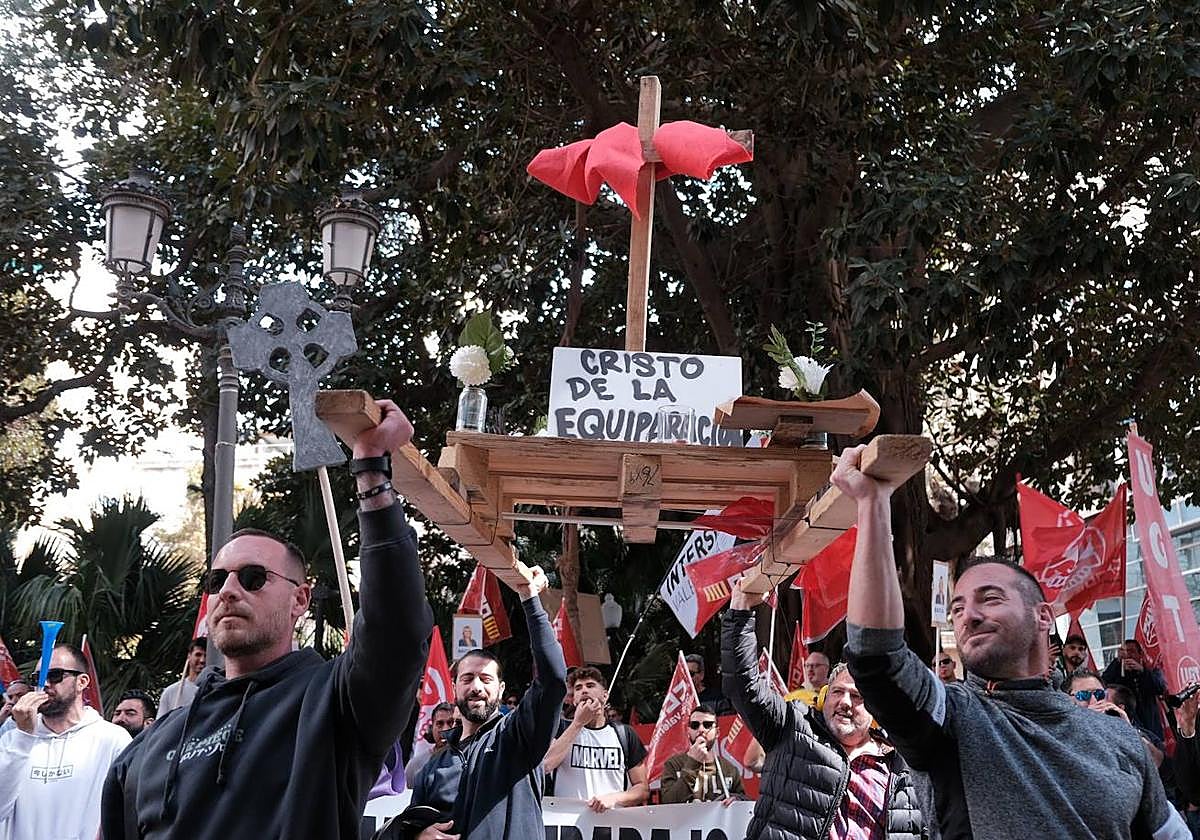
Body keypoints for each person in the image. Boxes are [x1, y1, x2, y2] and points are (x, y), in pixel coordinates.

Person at [102, 399, 434, 840]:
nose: (229, 590)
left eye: (254, 577)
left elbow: (398, 630)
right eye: (218, 579)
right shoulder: (150, 744)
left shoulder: (335, 705)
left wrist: (372, 472)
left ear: (300, 599)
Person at [832, 444, 1187, 839]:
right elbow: (877, 656)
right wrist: (873, 502)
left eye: (990, 598)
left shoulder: (1119, 739)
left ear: (1043, 617)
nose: (970, 615)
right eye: (958, 608)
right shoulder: (954, 716)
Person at [723, 591, 926, 839]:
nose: (844, 702)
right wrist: (740, 610)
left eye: (857, 696)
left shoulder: (905, 764)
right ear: (823, 697)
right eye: (837, 692)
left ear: (877, 707)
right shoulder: (792, 728)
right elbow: (744, 686)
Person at [392, 566, 566, 840]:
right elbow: (409, 827)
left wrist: (530, 601)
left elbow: (554, 677)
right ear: (454, 688)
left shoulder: (518, 737)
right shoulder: (433, 768)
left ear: (501, 689)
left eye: (486, 679)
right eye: (468, 678)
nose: (476, 687)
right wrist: (417, 836)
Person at [0, 644, 131, 839]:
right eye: (38, 678)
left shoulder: (112, 739)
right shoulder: (12, 740)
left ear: (82, 682)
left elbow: (127, 813)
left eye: (54, 675)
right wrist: (23, 737)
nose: (43, 684)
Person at [543, 666, 647, 812]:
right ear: (574, 700)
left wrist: (614, 798)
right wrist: (578, 724)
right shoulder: (560, 729)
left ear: (605, 696)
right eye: (578, 688)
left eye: (590, 685)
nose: (584, 690)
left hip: (611, 826)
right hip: (567, 826)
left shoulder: (624, 734)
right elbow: (546, 765)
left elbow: (642, 788)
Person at [660, 704, 745, 804]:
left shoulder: (729, 769)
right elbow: (669, 802)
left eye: (707, 725)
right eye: (695, 725)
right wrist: (692, 763)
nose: (701, 730)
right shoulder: (673, 764)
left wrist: (737, 800)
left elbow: (743, 802)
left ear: (717, 732)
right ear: (688, 731)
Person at [1103, 639, 1167, 740]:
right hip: (1130, 729)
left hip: (1151, 727)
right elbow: (1104, 683)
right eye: (1124, 652)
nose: (1128, 655)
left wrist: (1142, 671)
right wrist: (1117, 662)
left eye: (1131, 651)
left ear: (1140, 653)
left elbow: (1160, 687)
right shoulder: (1117, 672)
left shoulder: (1150, 670)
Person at [404, 702, 457, 786]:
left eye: (450, 723)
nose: (445, 729)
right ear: (431, 728)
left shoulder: (468, 761)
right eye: (440, 724)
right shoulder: (415, 765)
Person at [158, 637, 207, 714]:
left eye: (206, 656)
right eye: (198, 654)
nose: (202, 660)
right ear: (189, 656)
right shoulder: (171, 692)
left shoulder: (217, 691)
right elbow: (161, 724)